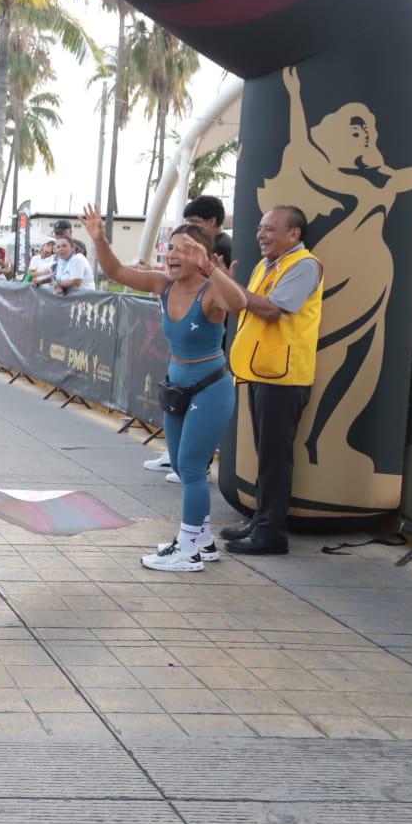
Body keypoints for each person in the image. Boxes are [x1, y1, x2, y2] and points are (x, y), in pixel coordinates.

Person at [84, 206, 246, 571]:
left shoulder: (211, 291)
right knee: (181, 464)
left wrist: (213, 270)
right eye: (170, 247)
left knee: (190, 469)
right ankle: (202, 541)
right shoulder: (164, 284)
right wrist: (99, 238)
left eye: (184, 248)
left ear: (202, 255)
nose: (172, 254)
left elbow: (239, 304)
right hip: (176, 388)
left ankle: (187, 549)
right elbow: (116, 272)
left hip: (211, 389)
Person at [222, 205, 323, 556]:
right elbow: (244, 306)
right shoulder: (268, 265)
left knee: (276, 458)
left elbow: (272, 309)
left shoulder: (305, 265)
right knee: (267, 455)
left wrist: (231, 287)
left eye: (270, 229)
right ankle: (260, 521)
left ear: (293, 234)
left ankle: (271, 533)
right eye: (260, 227)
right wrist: (231, 287)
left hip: (285, 377)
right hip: (261, 372)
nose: (261, 234)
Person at [183, 195, 233, 275]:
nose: (189, 227)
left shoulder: (217, 248)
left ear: (212, 221)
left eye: (194, 222)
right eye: (188, 222)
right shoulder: (226, 243)